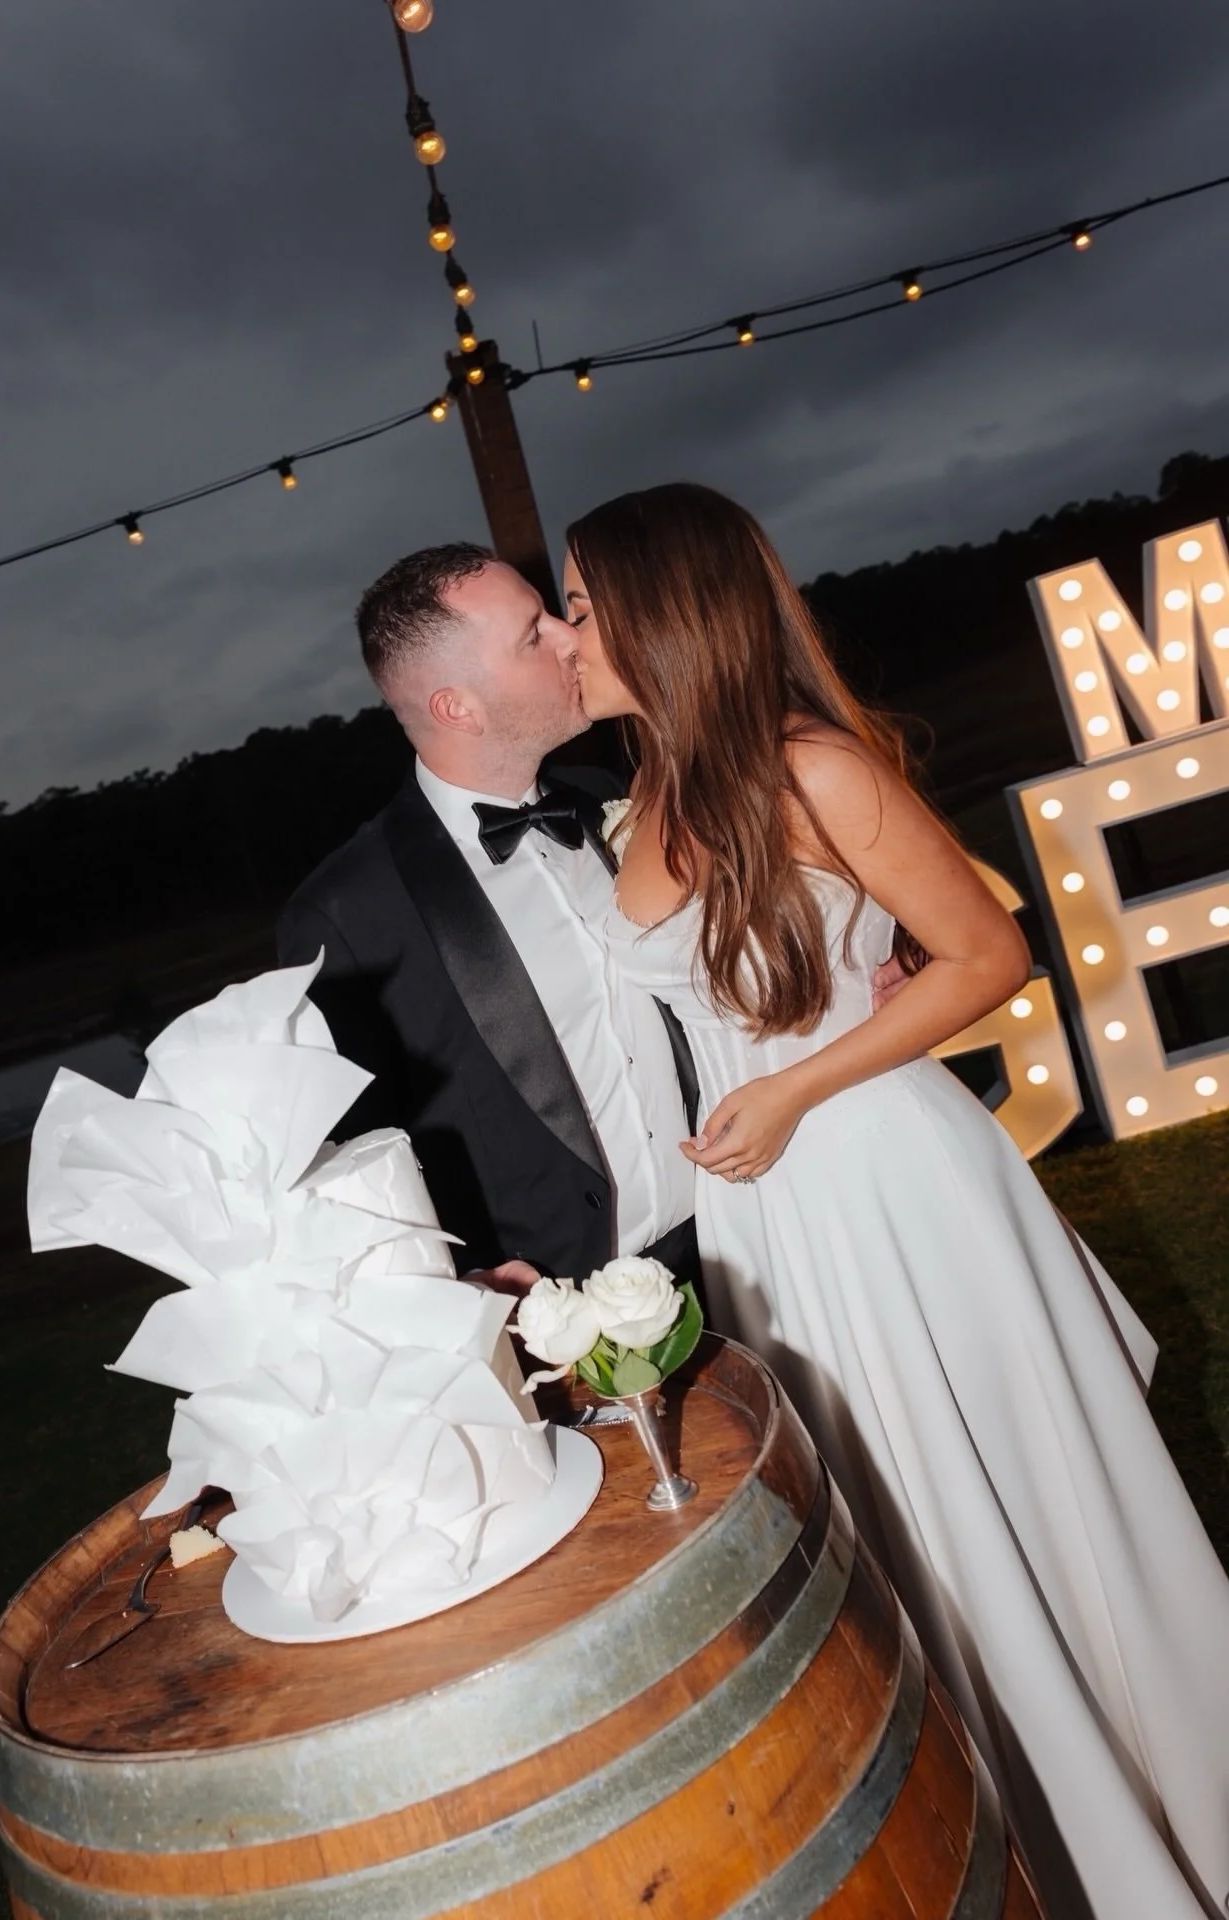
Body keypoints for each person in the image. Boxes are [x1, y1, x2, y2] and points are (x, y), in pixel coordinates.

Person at [562, 479, 1229, 1920]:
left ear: (659, 615)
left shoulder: (819, 770)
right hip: (764, 1218)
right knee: (891, 1535)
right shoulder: (656, 789)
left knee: (1011, 1511)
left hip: (881, 1179)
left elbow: (989, 957)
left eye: (579, 603)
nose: (565, 634)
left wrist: (802, 1083)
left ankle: (1159, 1836)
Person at [275, 541, 702, 1291]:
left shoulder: (611, 795)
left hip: (741, 1236)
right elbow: (349, 1166)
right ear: (456, 707)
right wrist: (465, 1286)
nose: (572, 638)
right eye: (534, 632)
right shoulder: (345, 912)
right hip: (562, 1314)